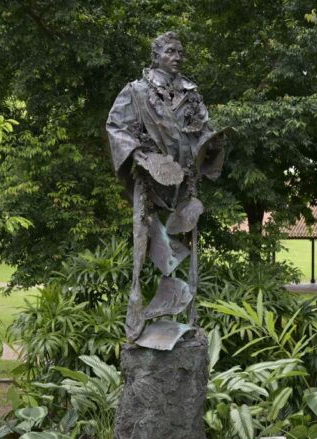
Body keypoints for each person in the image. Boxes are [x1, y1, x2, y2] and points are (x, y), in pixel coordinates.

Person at [106, 32, 224, 349]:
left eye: (180, 52)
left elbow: (205, 130)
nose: (177, 57)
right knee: (143, 245)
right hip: (151, 179)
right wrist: (140, 156)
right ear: (156, 55)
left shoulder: (191, 94)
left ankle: (188, 318)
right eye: (171, 51)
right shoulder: (137, 91)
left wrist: (211, 146)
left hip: (185, 182)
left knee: (188, 241)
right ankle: (137, 321)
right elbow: (117, 127)